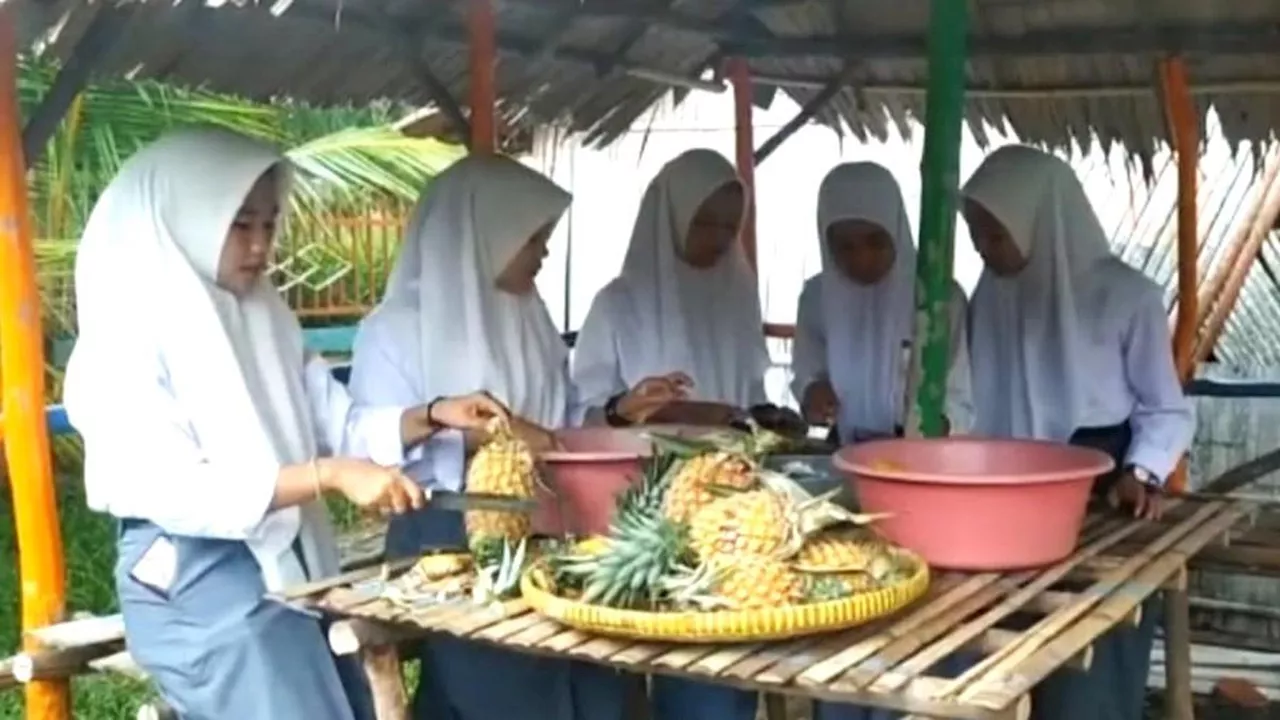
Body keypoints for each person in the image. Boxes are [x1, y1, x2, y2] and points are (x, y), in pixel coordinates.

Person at [61, 129, 509, 720]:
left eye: (269, 225)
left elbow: (338, 425)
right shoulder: (125, 334)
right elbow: (173, 488)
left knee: (342, 699)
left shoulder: (266, 315)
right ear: (184, 217)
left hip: (285, 556)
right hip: (190, 577)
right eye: (240, 225)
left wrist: (431, 415)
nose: (258, 246)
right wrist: (326, 475)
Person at [348, 153, 683, 720]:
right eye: (533, 238)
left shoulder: (530, 313)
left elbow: (561, 419)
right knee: (502, 689)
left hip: (553, 526)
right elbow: (370, 447)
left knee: (594, 682)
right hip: (449, 537)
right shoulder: (396, 330)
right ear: (486, 233)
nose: (544, 253)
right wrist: (490, 439)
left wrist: (619, 410)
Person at [962, 144, 1194, 720]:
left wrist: (1142, 471)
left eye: (995, 235)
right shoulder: (989, 294)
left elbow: (1165, 408)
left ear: (1041, 218)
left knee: (1089, 677)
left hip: (1103, 504)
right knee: (1005, 671)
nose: (982, 250)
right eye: (976, 234)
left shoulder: (1127, 295)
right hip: (1005, 509)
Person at [572, 148, 769, 720]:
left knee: (732, 659)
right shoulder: (618, 304)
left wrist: (758, 416)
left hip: (736, 509)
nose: (717, 238)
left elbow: (748, 392)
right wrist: (631, 409)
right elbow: (582, 415)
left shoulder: (737, 291)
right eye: (703, 222)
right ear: (670, 218)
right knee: (668, 661)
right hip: (644, 519)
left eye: (729, 226)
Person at [792, 161, 972, 446]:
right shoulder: (817, 298)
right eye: (845, 247)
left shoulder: (938, 299)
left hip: (920, 454)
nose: (861, 258)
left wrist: (935, 426)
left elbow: (961, 396)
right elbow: (807, 372)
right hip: (844, 451)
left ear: (896, 231)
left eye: (876, 242)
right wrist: (812, 393)